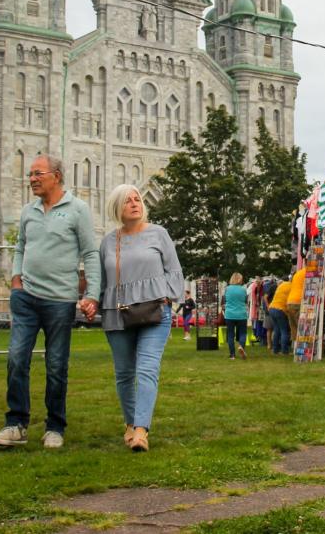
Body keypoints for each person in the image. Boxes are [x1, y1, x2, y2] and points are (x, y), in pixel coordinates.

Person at [0, 155, 100, 450]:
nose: (32, 179)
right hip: (26, 298)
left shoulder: (78, 210)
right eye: (30, 174)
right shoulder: (28, 211)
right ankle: (16, 424)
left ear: (57, 176)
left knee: (55, 365)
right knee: (16, 358)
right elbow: (21, 247)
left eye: (38, 173)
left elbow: (91, 254)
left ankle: (55, 426)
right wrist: (15, 279)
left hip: (60, 301)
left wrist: (91, 294)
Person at [99, 184, 183, 452]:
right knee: (124, 373)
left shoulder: (159, 234)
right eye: (127, 201)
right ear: (117, 207)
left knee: (147, 369)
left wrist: (168, 297)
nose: (135, 203)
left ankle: (141, 431)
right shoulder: (108, 242)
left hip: (155, 311)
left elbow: (174, 270)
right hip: (118, 312)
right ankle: (130, 422)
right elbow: (102, 280)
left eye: (137, 199)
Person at [223, 272, 249, 359]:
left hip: (229, 314)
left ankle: (232, 355)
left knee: (230, 334)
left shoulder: (227, 289)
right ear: (240, 279)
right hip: (241, 314)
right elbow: (246, 301)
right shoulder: (243, 289)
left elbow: (225, 300)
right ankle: (241, 346)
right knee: (242, 333)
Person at [268, 278, 292, 355]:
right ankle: (284, 350)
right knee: (284, 330)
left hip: (272, 308)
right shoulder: (292, 287)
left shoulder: (282, 284)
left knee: (277, 330)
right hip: (280, 309)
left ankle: (275, 350)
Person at [285, 266, 306, 344]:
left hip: (290, 301)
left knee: (294, 327)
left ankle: (296, 349)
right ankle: (302, 347)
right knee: (301, 327)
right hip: (299, 301)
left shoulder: (298, 273)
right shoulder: (308, 273)